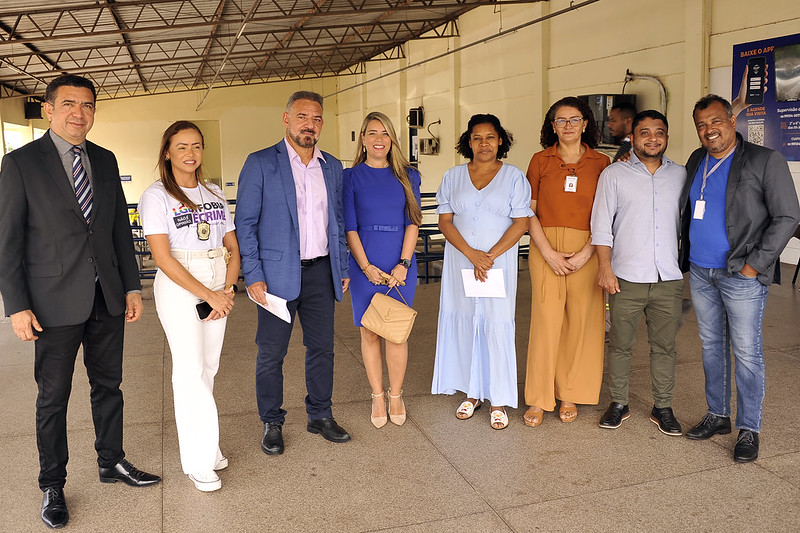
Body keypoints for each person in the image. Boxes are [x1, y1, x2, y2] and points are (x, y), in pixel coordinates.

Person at [0, 75, 161, 529]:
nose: (79, 113)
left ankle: (112, 461)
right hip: (50, 303)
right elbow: (7, 243)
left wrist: (132, 286)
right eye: (68, 104)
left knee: (109, 387)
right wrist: (17, 305)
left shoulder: (105, 161)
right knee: (53, 398)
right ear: (48, 109)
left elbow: (116, 232)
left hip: (106, 297)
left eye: (88, 105)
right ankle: (52, 483)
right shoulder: (21, 164)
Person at [680, 94, 800, 462]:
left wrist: (755, 265)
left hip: (741, 274)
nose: (708, 130)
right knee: (711, 346)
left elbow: (788, 217)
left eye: (715, 121)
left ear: (732, 120)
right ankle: (718, 415)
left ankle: (750, 428)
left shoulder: (765, 160)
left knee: (747, 352)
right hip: (701, 272)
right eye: (701, 125)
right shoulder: (697, 159)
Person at [236, 91, 351, 455]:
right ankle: (272, 421)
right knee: (271, 353)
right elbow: (245, 223)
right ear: (286, 119)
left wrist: (342, 265)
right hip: (274, 277)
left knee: (322, 349)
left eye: (317, 119)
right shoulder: (260, 163)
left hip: (321, 273)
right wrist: (252, 274)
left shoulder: (332, 166)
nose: (310, 125)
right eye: (302, 117)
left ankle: (320, 415)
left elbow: (338, 220)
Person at [138, 121, 240, 491]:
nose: (190, 153)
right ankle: (198, 461)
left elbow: (233, 244)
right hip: (182, 282)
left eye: (196, 146)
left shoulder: (213, 192)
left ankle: (207, 446)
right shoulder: (156, 195)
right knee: (190, 369)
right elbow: (162, 257)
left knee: (208, 368)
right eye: (181, 147)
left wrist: (226, 288)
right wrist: (208, 293)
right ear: (167, 152)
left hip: (217, 276)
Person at [431, 114, 532, 430]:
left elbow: (522, 222)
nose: (484, 143)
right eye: (477, 137)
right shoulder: (453, 176)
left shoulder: (514, 177)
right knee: (466, 322)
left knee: (494, 323)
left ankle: (498, 399)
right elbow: (445, 221)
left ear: (500, 140)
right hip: (462, 262)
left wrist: (489, 257)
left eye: (490, 137)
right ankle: (472, 392)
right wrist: (472, 254)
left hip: (496, 265)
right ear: (468, 142)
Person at [591, 110, 687, 434]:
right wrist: (605, 268)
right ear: (632, 137)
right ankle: (619, 402)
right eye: (644, 132)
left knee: (665, 347)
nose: (652, 138)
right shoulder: (614, 175)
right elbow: (601, 227)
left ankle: (663, 407)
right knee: (620, 344)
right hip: (625, 277)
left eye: (659, 132)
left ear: (667, 138)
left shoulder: (681, 175)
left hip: (668, 279)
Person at [523, 96, 610, 428]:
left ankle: (569, 392)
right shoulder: (539, 160)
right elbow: (527, 211)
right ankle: (538, 398)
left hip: (587, 248)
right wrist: (546, 251)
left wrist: (589, 251)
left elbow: (607, 214)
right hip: (545, 246)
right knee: (546, 321)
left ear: (586, 123)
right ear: (552, 126)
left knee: (582, 322)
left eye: (574, 120)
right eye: (561, 120)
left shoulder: (602, 163)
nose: (568, 126)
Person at [343, 112, 422, 428]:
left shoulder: (408, 175)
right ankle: (377, 395)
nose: (379, 139)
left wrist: (403, 264)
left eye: (385, 133)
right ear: (362, 138)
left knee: (397, 333)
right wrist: (365, 267)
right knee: (370, 331)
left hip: (399, 260)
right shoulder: (350, 177)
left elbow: (412, 222)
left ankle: (396, 394)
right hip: (365, 260)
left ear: (392, 139)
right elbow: (349, 226)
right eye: (372, 133)